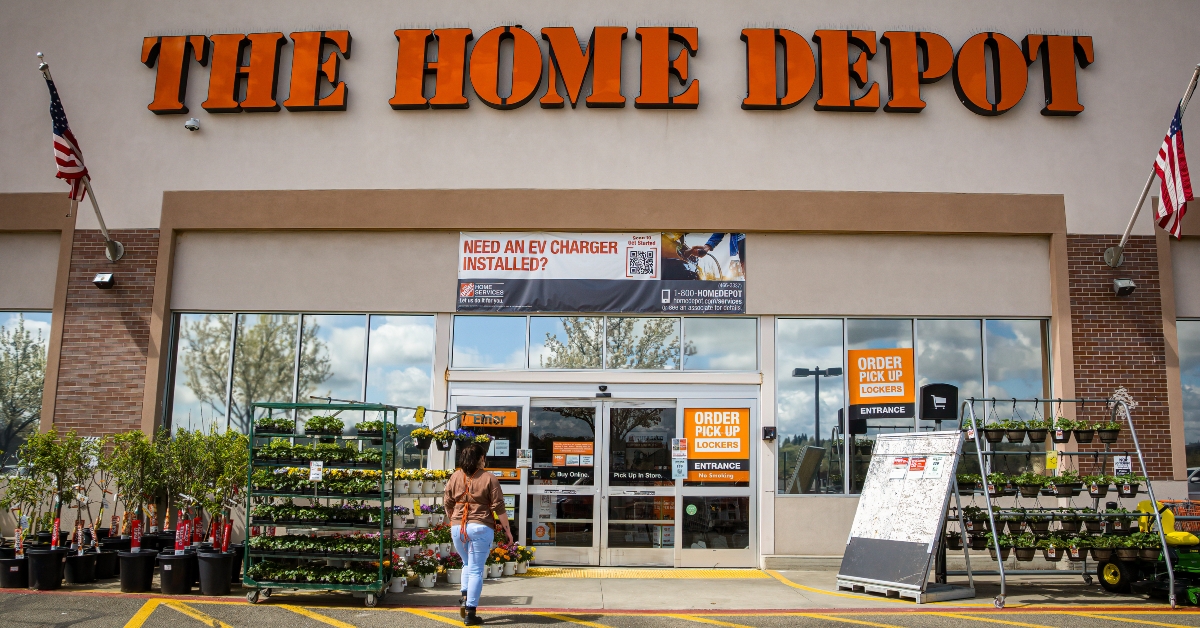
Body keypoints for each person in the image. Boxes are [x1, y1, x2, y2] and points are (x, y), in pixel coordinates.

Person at [444, 442, 514, 626]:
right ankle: (471, 612)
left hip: (457, 528)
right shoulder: (489, 478)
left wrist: (454, 520)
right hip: (480, 526)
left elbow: (447, 501)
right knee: (475, 569)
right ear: (480, 459)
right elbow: (499, 506)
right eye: (484, 457)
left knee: (467, 564)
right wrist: (507, 530)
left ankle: (464, 598)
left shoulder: (455, 476)